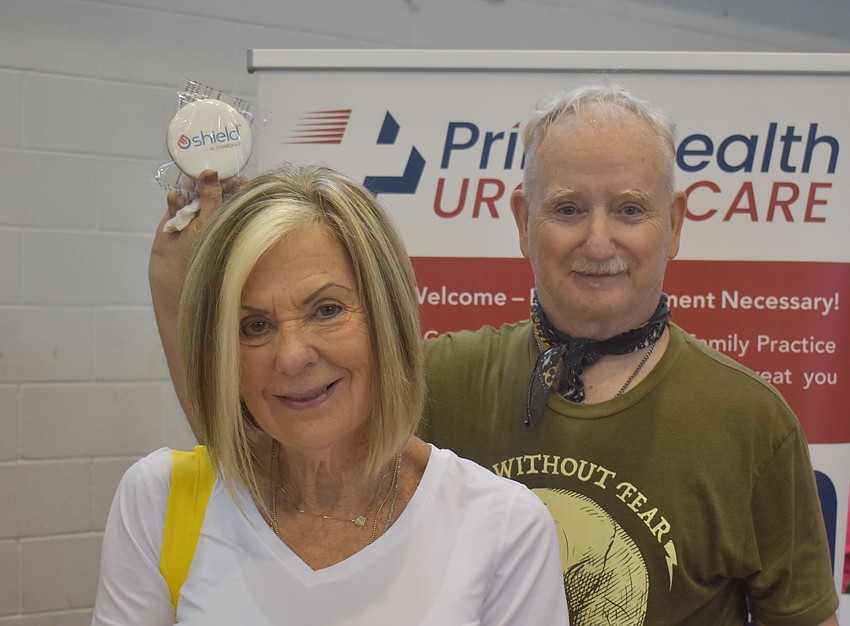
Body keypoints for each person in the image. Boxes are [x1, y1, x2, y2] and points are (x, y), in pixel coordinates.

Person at [148, 86, 841, 625]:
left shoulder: (751, 422)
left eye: (630, 210)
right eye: (568, 209)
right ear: (521, 221)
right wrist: (186, 292)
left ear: (676, 225)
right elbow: (259, 452)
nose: (599, 241)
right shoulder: (439, 380)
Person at [92, 164, 569, 625]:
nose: (292, 356)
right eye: (254, 326)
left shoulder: (504, 530)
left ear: (389, 317)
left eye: (326, 310)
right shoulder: (159, 502)